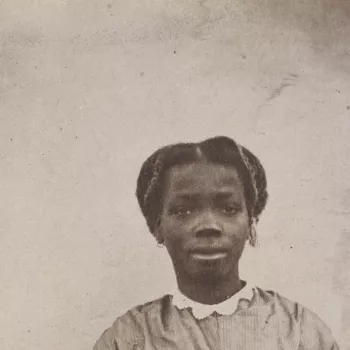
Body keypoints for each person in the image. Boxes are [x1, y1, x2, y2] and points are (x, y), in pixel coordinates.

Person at [93, 136, 339, 349]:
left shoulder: (300, 331)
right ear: (158, 226)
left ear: (250, 220)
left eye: (229, 208)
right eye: (183, 211)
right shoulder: (128, 338)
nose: (209, 225)